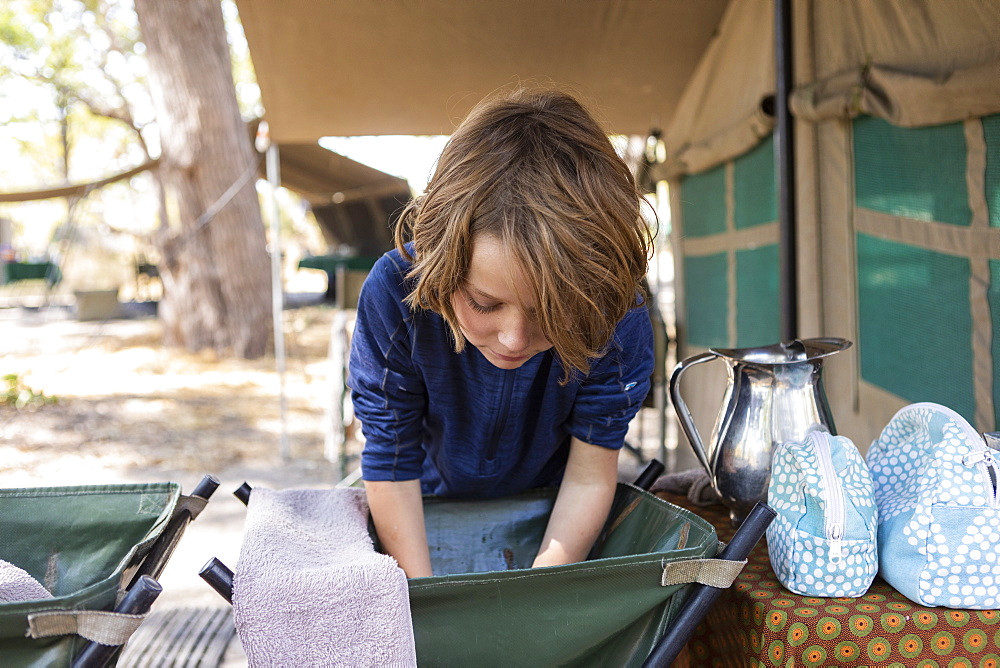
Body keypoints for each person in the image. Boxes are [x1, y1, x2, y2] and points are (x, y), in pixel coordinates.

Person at [348, 87, 655, 578]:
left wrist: (536, 591)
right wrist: (428, 598)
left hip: (552, 512)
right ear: (440, 268)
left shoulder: (617, 309)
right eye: (484, 304)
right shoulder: (395, 292)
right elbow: (391, 457)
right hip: (419, 508)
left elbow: (589, 475)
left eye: (552, 312)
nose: (514, 339)